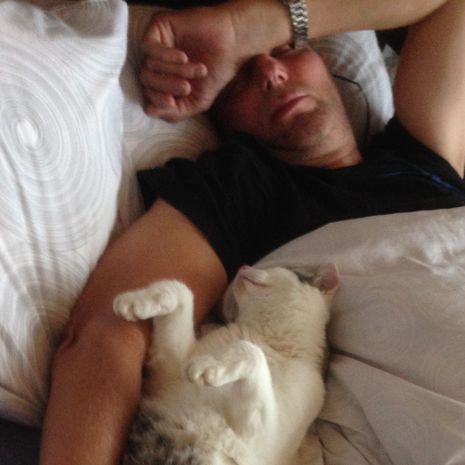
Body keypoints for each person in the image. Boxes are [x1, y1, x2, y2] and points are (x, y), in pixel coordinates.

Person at [39, 1, 465, 464]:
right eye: (240, 73)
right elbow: (108, 334)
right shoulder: (238, 188)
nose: (269, 72)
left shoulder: (423, 157)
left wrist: (258, 24)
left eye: (286, 50)